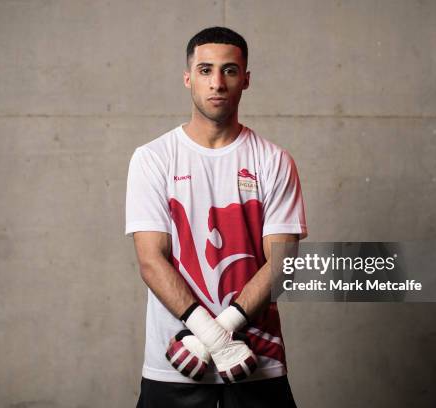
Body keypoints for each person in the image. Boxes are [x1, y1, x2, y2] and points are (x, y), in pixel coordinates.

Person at [125, 26, 307, 408]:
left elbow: (283, 263)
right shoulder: (154, 158)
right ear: (188, 78)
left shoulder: (273, 161)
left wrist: (221, 336)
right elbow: (150, 260)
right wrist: (214, 337)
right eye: (205, 70)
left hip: (256, 362)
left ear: (246, 80)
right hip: (174, 364)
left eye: (229, 70)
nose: (217, 83)